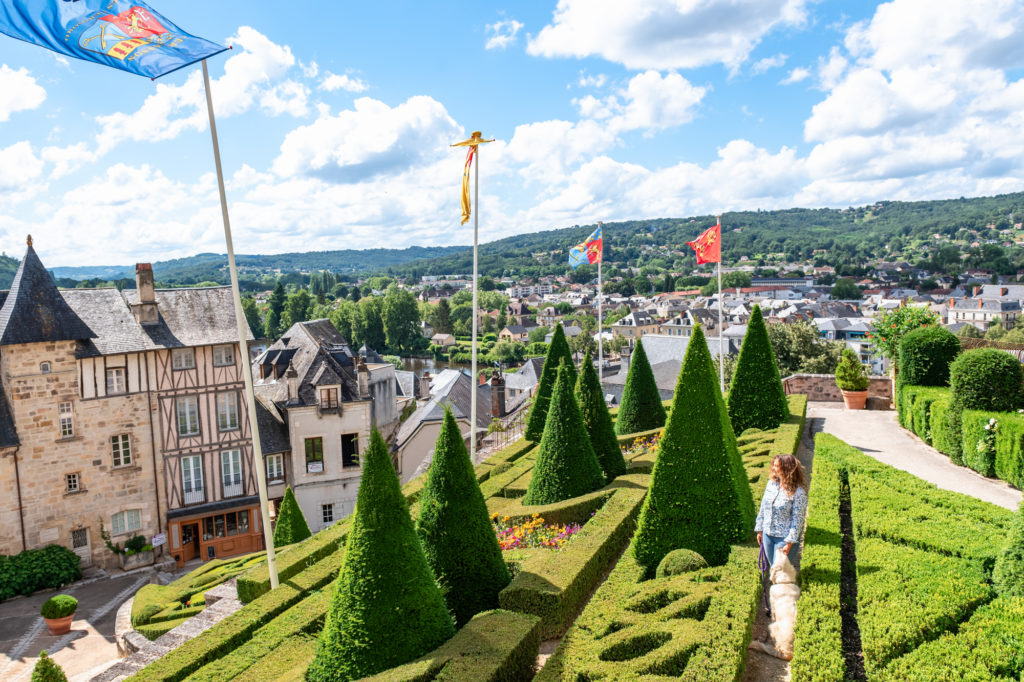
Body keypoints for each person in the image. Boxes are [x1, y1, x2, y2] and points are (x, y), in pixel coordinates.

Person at [755, 454, 808, 569]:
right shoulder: (771, 484)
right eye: (773, 465)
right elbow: (763, 507)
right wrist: (760, 529)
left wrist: (789, 543)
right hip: (768, 535)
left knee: (781, 571)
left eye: (776, 466)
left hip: (784, 538)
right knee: (773, 569)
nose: (773, 468)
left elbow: (798, 520)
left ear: (786, 468)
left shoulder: (799, 493)